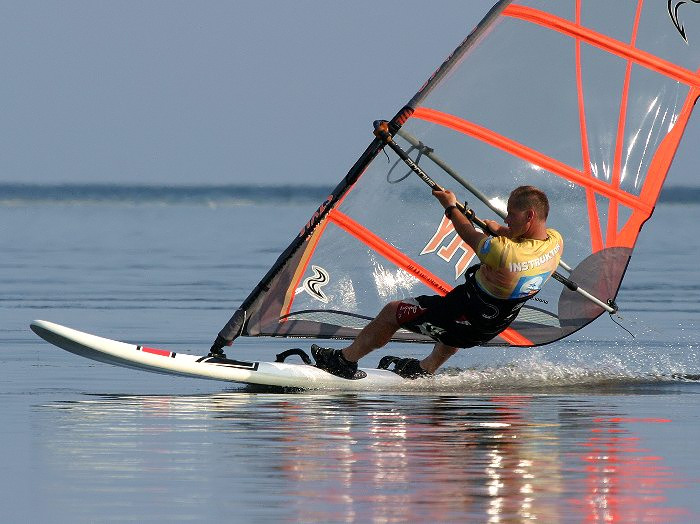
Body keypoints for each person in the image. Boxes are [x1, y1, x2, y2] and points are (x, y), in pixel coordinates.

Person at [311, 185, 563, 379]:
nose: (507, 219)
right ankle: (426, 368)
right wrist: (500, 229)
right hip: (492, 325)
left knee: (392, 312)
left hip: (464, 316)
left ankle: (344, 361)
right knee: (449, 317)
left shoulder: (503, 253)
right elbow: (518, 241)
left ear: (529, 215)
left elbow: (468, 233)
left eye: (511, 214)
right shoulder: (555, 242)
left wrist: (451, 207)